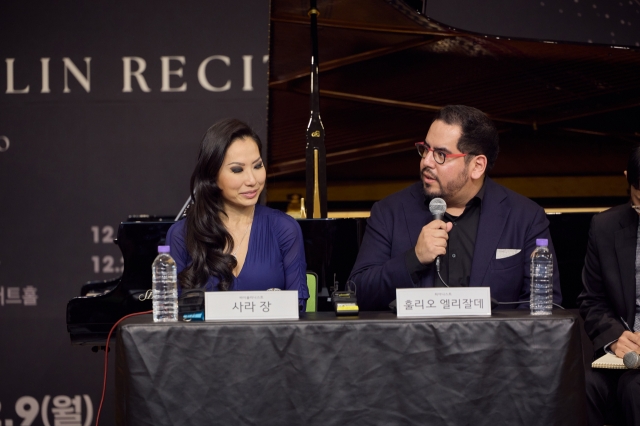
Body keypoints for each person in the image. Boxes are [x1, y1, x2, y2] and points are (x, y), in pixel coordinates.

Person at [349, 105, 562, 311]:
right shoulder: (389, 212)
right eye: (425, 149)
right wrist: (414, 259)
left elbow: (544, 306)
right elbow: (357, 293)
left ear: (477, 166)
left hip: (494, 346)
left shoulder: (525, 217)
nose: (426, 162)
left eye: (441, 154)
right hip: (412, 346)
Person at [166, 118, 309, 309]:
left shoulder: (284, 228)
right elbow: (170, 313)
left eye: (257, 166)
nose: (252, 180)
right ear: (212, 176)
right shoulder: (181, 235)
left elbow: (297, 306)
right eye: (237, 169)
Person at [578, 146, 640, 426]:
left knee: (634, 390)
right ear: (628, 180)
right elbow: (592, 299)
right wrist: (614, 337)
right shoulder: (604, 226)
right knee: (582, 386)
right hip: (623, 352)